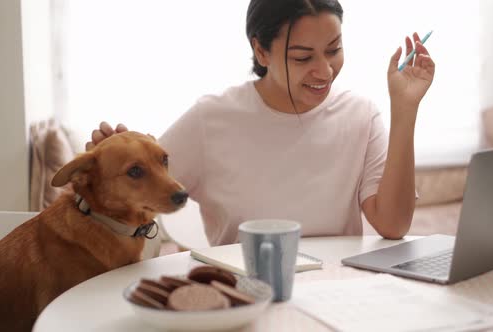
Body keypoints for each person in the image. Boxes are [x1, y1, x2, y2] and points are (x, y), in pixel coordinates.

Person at [86, 0, 435, 246]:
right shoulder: (213, 118)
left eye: (333, 49)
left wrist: (404, 110)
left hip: (337, 290)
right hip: (247, 290)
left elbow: (393, 224)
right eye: (302, 57)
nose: (325, 71)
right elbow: (137, 189)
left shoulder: (360, 114)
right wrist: (105, 165)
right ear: (261, 51)